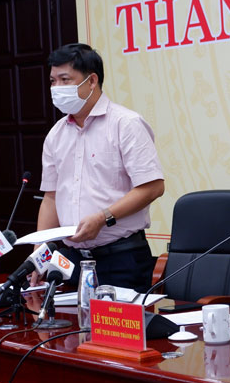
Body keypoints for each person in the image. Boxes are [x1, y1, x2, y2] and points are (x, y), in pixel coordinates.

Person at [32, 43, 164, 292]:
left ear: (91, 81)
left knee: (115, 331)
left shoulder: (125, 124)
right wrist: (39, 255)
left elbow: (153, 187)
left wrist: (103, 218)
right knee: (68, 329)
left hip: (121, 258)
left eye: (65, 80)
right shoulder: (56, 135)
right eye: (52, 81)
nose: (56, 89)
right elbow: (51, 198)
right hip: (70, 259)